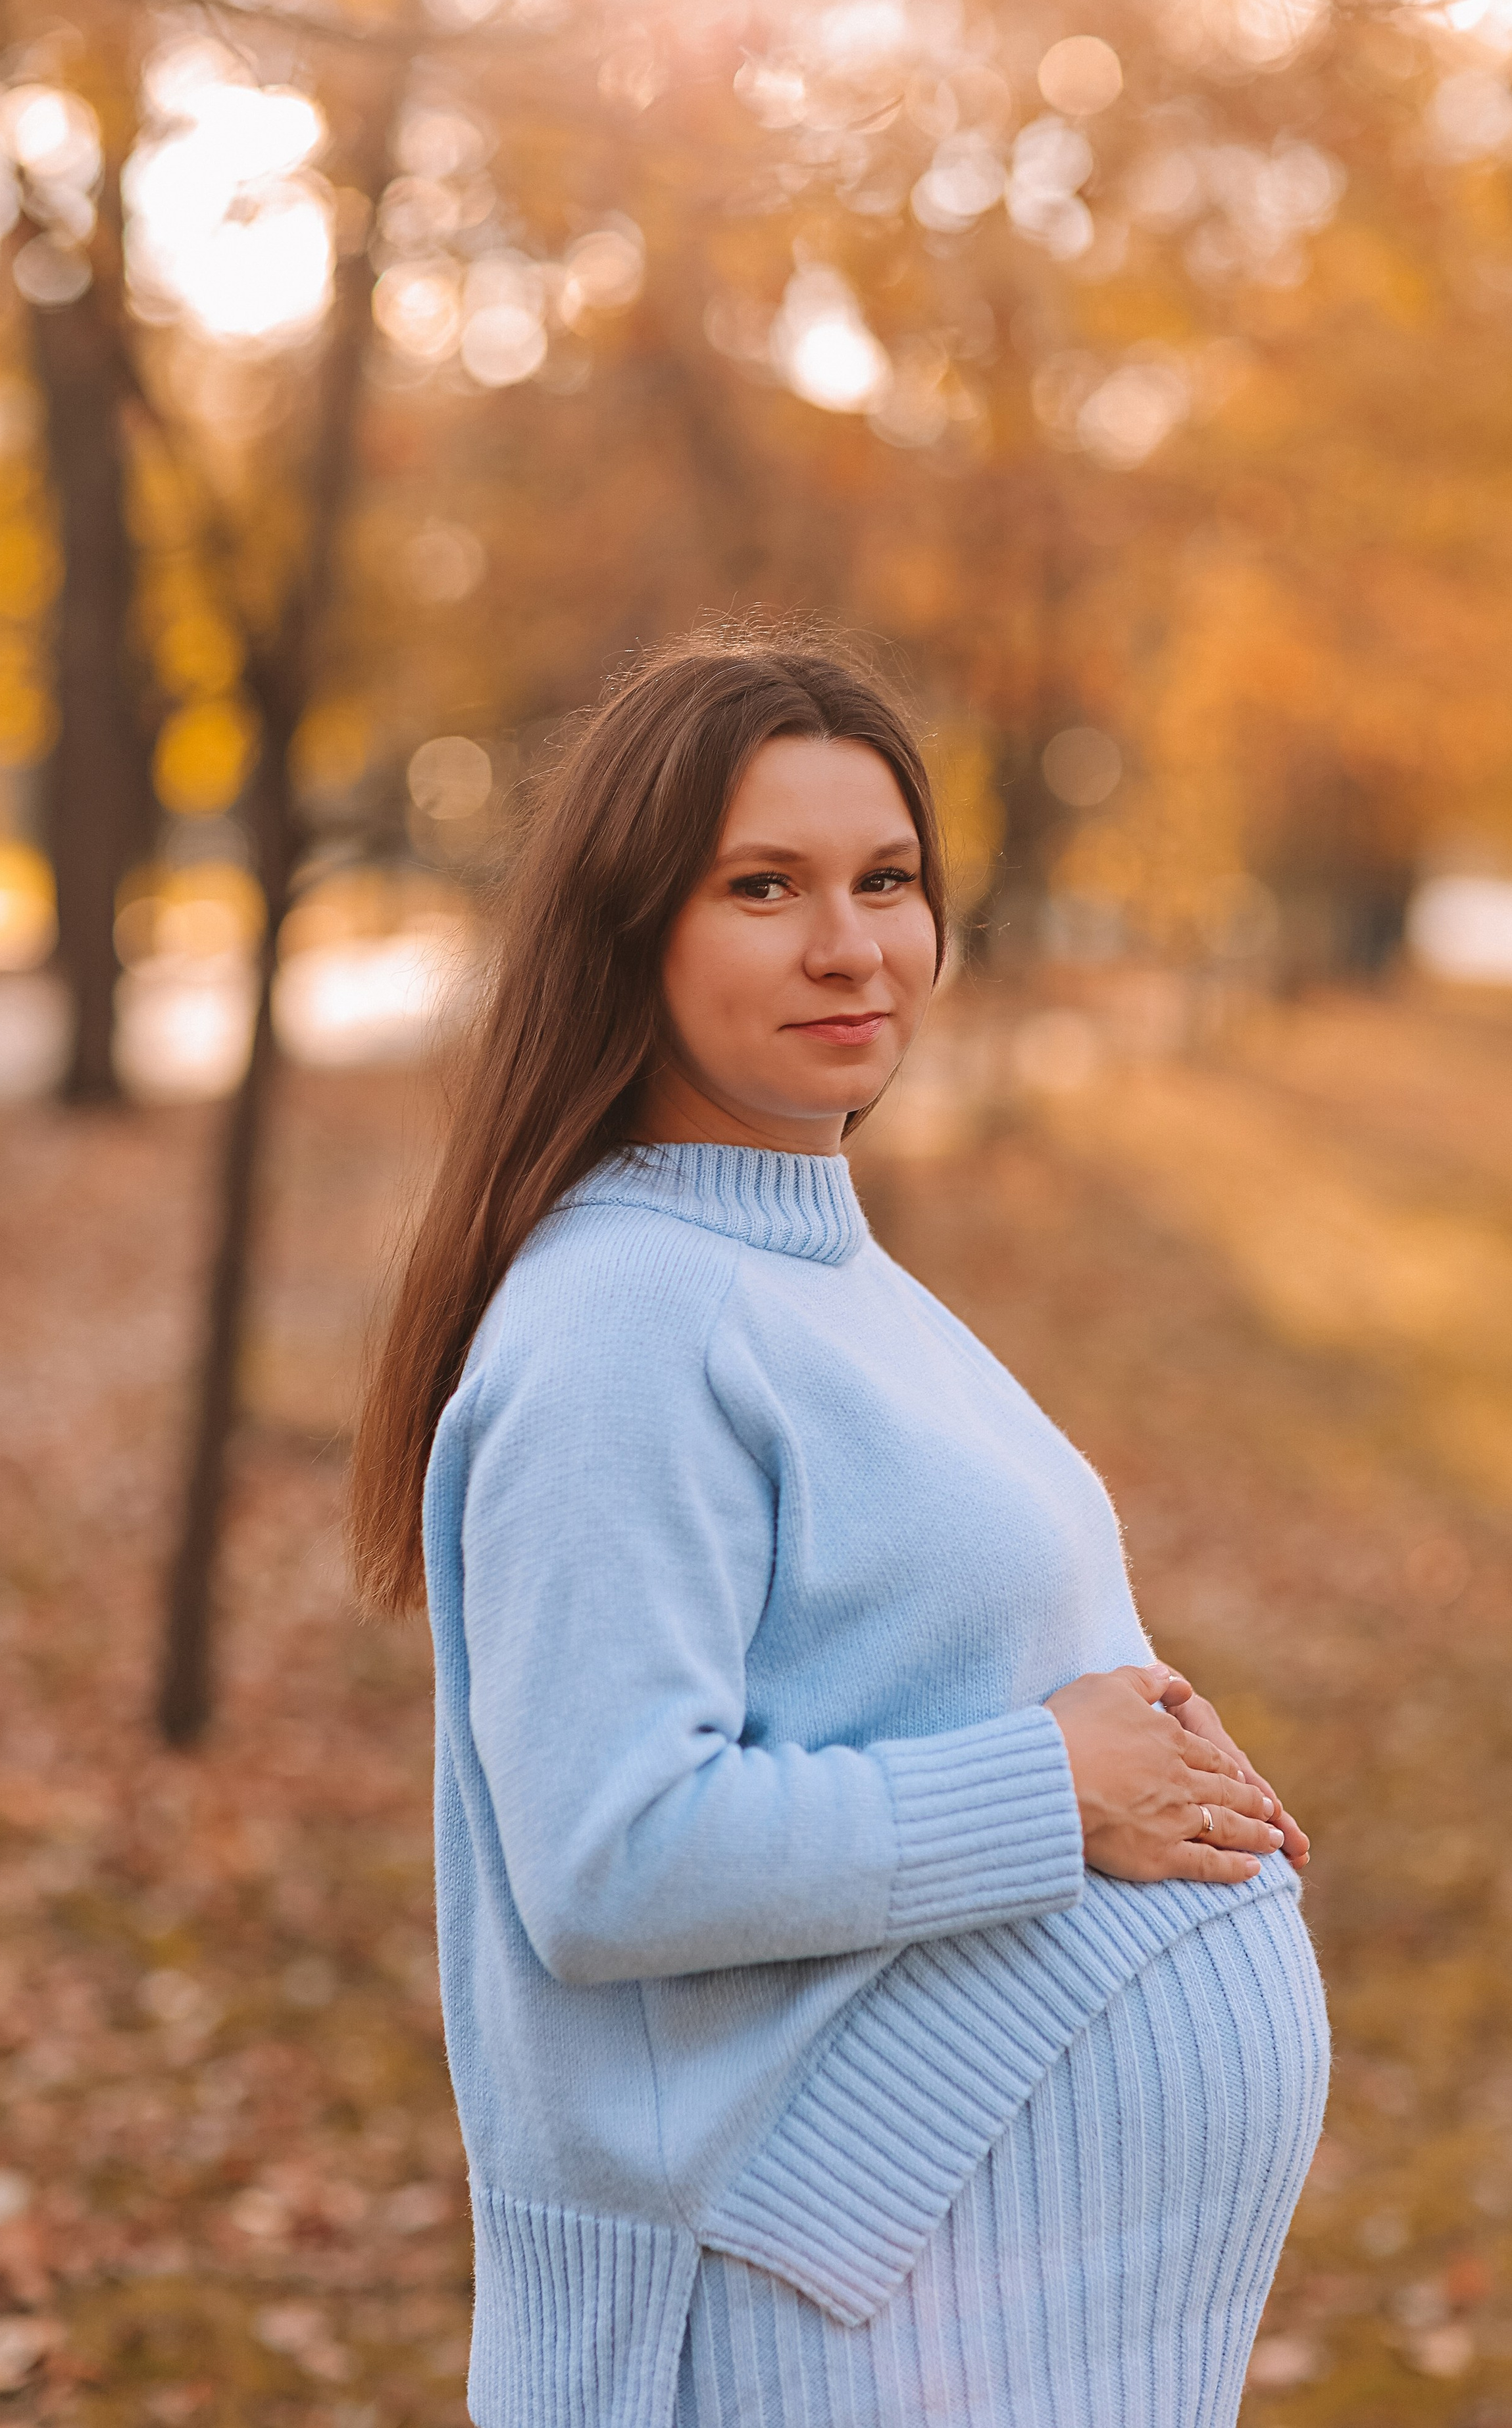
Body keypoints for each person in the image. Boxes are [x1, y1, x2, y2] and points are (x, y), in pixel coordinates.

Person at [348, 634, 1328, 2428]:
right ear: (628, 934)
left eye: (887, 880)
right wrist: (1059, 1789)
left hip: (975, 2311)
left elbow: (927, 1680)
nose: (850, 944)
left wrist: (1161, 1776)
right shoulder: (627, 1322)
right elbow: (611, 1854)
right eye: (763, 888)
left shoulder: (810, 1264)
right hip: (823, 2316)